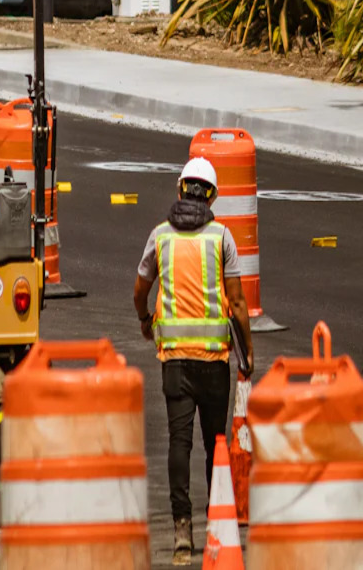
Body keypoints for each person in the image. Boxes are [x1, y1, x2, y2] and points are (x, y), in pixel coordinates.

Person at [132, 157, 253, 565]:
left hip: (176, 364)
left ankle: (182, 532)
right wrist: (247, 353)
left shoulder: (159, 236)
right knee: (215, 445)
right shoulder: (222, 238)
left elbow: (139, 290)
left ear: (180, 188)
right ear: (213, 196)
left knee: (178, 443)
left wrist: (146, 321)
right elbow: (237, 303)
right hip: (214, 363)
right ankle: (216, 522)